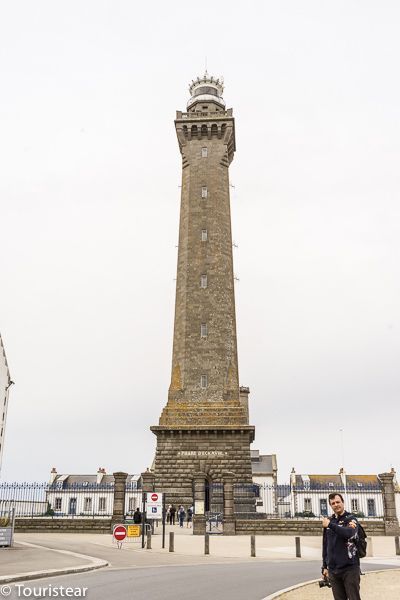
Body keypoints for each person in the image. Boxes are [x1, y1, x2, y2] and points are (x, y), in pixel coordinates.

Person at [322, 492, 361, 600]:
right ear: (330, 505)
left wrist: (330, 525)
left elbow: (349, 533)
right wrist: (324, 566)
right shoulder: (329, 521)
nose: (336, 505)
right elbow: (325, 544)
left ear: (343, 502)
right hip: (333, 570)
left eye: (338, 502)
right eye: (333, 503)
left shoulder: (351, 519)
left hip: (350, 568)